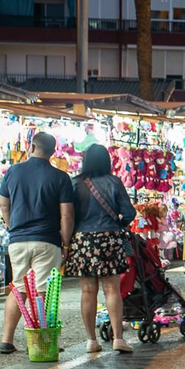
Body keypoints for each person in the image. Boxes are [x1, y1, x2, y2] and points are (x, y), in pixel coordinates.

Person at [0, 131, 75, 355]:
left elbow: (3, 204)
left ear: (31, 146)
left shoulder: (12, 171)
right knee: (43, 291)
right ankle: (43, 340)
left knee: (18, 289)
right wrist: (66, 243)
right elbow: (67, 215)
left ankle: (7, 339)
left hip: (18, 240)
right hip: (47, 240)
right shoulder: (60, 177)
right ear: (53, 152)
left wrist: (13, 226)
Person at [68, 144, 138, 354]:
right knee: (112, 289)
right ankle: (118, 338)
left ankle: (91, 340)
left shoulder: (75, 184)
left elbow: (68, 214)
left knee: (88, 290)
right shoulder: (114, 182)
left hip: (82, 239)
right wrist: (118, 220)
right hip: (109, 238)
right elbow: (129, 213)